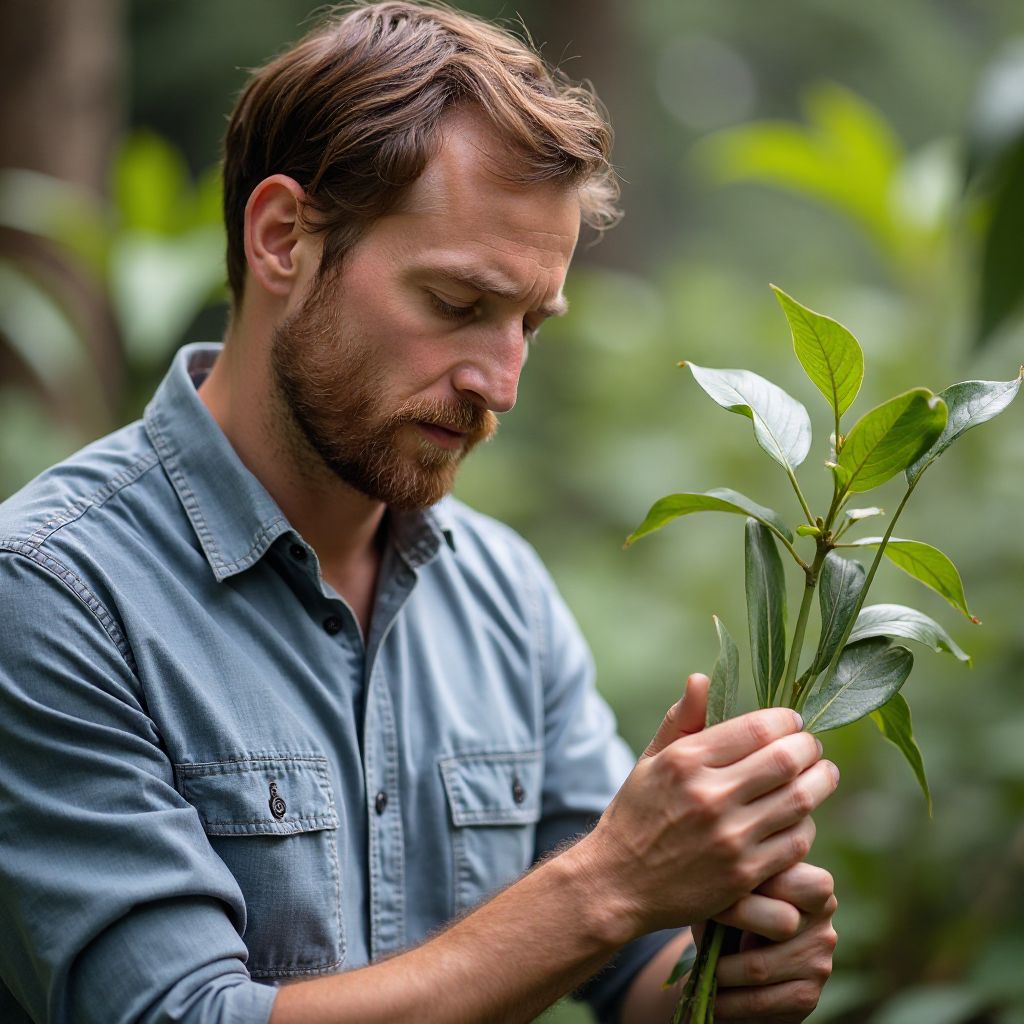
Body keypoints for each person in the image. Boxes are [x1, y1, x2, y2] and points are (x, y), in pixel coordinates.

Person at [0, 3, 840, 1022]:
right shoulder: (53, 592)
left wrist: (724, 965)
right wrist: (612, 882)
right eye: (455, 304)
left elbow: (628, 973)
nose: (501, 382)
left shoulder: (502, 593)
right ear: (282, 239)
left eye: (530, 322)